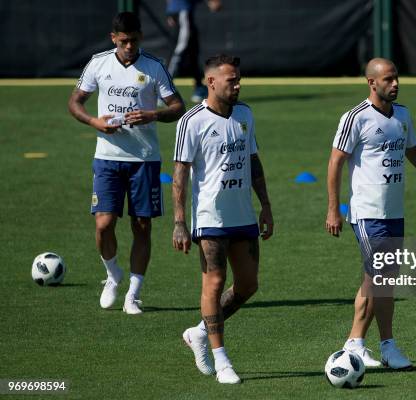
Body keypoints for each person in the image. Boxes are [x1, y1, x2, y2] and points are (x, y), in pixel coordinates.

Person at [326, 58, 416, 369]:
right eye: (388, 80)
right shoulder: (355, 118)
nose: (395, 84)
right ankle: (377, 344)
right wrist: (333, 208)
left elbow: (412, 150)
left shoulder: (403, 115)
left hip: (394, 212)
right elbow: (335, 162)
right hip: (367, 212)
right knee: (380, 276)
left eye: (396, 78)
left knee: (383, 279)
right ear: (372, 83)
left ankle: (362, 344)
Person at [68, 12, 186, 315]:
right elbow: (74, 102)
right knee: (104, 224)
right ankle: (112, 275)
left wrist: (152, 115)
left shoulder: (154, 67)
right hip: (107, 157)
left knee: (142, 226)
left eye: (134, 40)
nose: (130, 46)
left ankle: (133, 294)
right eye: (124, 42)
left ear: (141, 37)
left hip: (144, 159)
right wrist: (95, 121)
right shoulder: (99, 63)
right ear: (113, 39)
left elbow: (177, 106)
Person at [172, 54, 273, 384]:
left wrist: (266, 206)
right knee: (214, 283)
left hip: (242, 214)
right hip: (210, 217)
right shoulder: (192, 121)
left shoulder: (245, 114)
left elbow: (253, 160)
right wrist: (179, 222)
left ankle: (200, 332)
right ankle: (221, 359)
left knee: (248, 285)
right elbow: (180, 173)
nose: (238, 85)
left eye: (239, 78)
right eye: (232, 80)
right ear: (210, 82)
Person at [166, 0, 222, 103]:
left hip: (182, 12)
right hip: (182, 11)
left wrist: (170, 11)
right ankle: (164, 90)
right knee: (179, 50)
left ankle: (199, 89)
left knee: (192, 52)